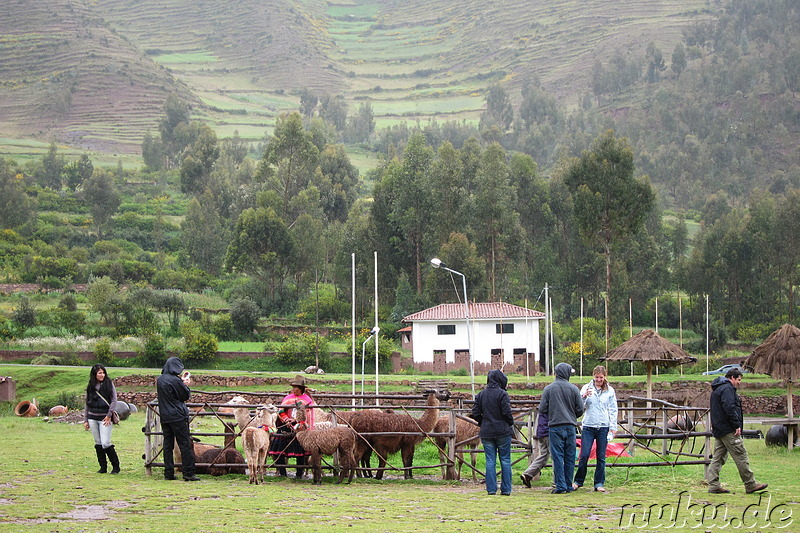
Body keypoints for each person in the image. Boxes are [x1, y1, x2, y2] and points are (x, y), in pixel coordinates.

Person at [706, 368, 768, 494]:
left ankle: (713, 485)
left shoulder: (717, 389)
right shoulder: (727, 389)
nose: (739, 383)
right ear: (732, 378)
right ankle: (750, 484)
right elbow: (729, 407)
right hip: (728, 429)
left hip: (719, 428)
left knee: (718, 458)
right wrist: (736, 425)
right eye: (738, 379)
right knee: (740, 455)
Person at [539, 362, 583, 494]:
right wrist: (571, 415)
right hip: (570, 426)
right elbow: (580, 409)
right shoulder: (574, 389)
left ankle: (560, 485)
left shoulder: (548, 389)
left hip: (555, 426)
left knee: (557, 457)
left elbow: (542, 408)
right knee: (569, 456)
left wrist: (553, 412)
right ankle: (568, 484)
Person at [572, 365, 618, 493]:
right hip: (588, 426)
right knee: (584, 454)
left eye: (601, 378)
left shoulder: (610, 390)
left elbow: (613, 409)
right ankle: (578, 481)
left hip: (603, 426)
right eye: (597, 377)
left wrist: (613, 427)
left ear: (605, 377)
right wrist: (584, 397)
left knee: (601, 456)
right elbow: (580, 407)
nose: (598, 380)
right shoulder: (586, 388)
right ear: (593, 376)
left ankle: (599, 482)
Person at [470, 369, 514, 495]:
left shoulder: (481, 395)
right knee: (505, 460)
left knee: (490, 460)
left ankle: (491, 489)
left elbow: (475, 413)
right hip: (503, 431)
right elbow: (507, 412)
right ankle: (506, 489)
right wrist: (510, 423)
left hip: (487, 431)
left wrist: (482, 422)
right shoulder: (502, 394)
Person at [156, 357, 199, 482]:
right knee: (184, 444)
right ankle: (188, 473)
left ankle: (168, 472)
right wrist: (185, 385)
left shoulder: (160, 379)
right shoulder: (176, 380)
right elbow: (185, 396)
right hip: (178, 416)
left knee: (168, 445)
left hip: (165, 416)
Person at [267, 375, 315, 478]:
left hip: (300, 427)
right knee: (278, 449)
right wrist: (286, 419)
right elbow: (281, 411)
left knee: (301, 452)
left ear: (301, 388)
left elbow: (308, 414)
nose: (293, 389)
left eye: (295, 387)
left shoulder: (307, 400)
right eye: (293, 387)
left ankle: (299, 474)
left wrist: (296, 420)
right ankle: (282, 473)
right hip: (286, 426)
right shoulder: (288, 398)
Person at [83, 364, 121, 474]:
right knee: (98, 443)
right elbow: (87, 403)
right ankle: (103, 467)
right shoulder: (91, 385)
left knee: (106, 443)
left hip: (105, 417)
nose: (102, 375)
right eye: (100, 373)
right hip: (92, 417)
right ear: (94, 374)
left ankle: (116, 466)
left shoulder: (109, 384)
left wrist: (109, 415)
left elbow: (114, 400)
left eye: (103, 372)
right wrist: (85, 419)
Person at [519, 412, 548, 488]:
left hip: (541, 430)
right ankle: (558, 481)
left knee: (544, 455)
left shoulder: (543, 404)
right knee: (555, 456)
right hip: (549, 430)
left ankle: (528, 474)